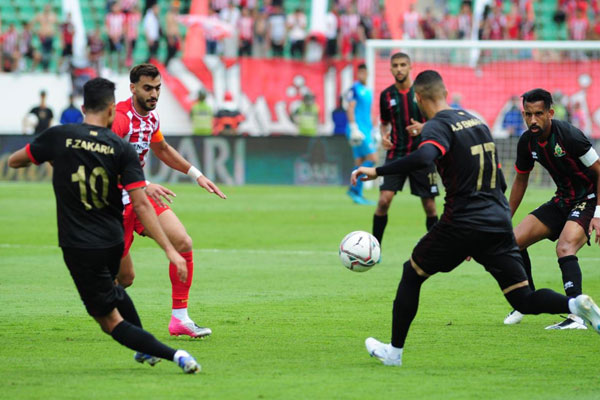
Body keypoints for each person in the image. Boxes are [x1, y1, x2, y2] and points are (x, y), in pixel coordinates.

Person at [351, 70, 600, 367]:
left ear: (418, 98)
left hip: (463, 220)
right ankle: (574, 304)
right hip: (494, 219)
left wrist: (377, 170)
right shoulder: (474, 121)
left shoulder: (437, 126)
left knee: (412, 272)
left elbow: (423, 157)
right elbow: (505, 181)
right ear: (445, 92)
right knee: (522, 298)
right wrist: (501, 220)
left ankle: (394, 353)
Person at [7, 77, 200, 374]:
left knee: (111, 321)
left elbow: (16, 162)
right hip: (112, 237)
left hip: (79, 244)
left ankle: (175, 355)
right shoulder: (121, 149)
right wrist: (169, 251)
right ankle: (145, 344)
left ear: (82, 107)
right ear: (112, 110)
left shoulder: (59, 137)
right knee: (123, 283)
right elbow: (141, 203)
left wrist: (53, 158)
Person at [111, 64, 226, 338]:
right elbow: (104, 160)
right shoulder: (119, 119)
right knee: (124, 279)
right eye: (148, 88)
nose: (154, 94)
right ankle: (100, 303)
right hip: (114, 203)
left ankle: (180, 319)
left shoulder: (150, 118)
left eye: (158, 88)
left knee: (183, 242)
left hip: (140, 197)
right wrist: (146, 184)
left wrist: (196, 174)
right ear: (133, 88)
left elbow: (160, 148)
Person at [502, 88, 600, 329]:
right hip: (562, 200)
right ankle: (526, 300)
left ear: (550, 113)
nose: (532, 120)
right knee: (513, 241)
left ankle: (578, 316)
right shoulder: (527, 141)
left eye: (538, 114)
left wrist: (598, 213)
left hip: (588, 199)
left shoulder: (570, 136)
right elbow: (521, 180)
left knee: (565, 247)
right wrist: (503, 219)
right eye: (527, 114)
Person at [373, 52, 438, 248]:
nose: (399, 69)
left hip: (422, 155)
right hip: (396, 155)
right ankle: (374, 248)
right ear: (391, 68)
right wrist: (384, 135)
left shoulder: (422, 93)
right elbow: (384, 123)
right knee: (384, 201)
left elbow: (437, 119)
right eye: (395, 65)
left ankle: (436, 250)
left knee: (429, 206)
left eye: (403, 65)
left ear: (410, 67)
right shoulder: (386, 95)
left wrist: (423, 127)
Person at [346, 63, 377, 205]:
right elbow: (350, 107)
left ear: (368, 73)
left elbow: (368, 112)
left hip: (366, 129)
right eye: (360, 73)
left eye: (364, 73)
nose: (362, 75)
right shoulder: (354, 88)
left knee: (359, 161)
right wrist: (353, 127)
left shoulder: (368, 91)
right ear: (357, 74)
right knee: (373, 157)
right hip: (358, 129)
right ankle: (355, 190)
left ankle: (356, 192)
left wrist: (373, 129)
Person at [164, 2, 181, 67]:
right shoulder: (169, 15)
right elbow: (168, 28)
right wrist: (170, 38)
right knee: (170, 53)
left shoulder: (176, 15)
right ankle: (166, 67)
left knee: (174, 53)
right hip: (171, 36)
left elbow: (176, 28)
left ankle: (170, 67)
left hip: (175, 36)